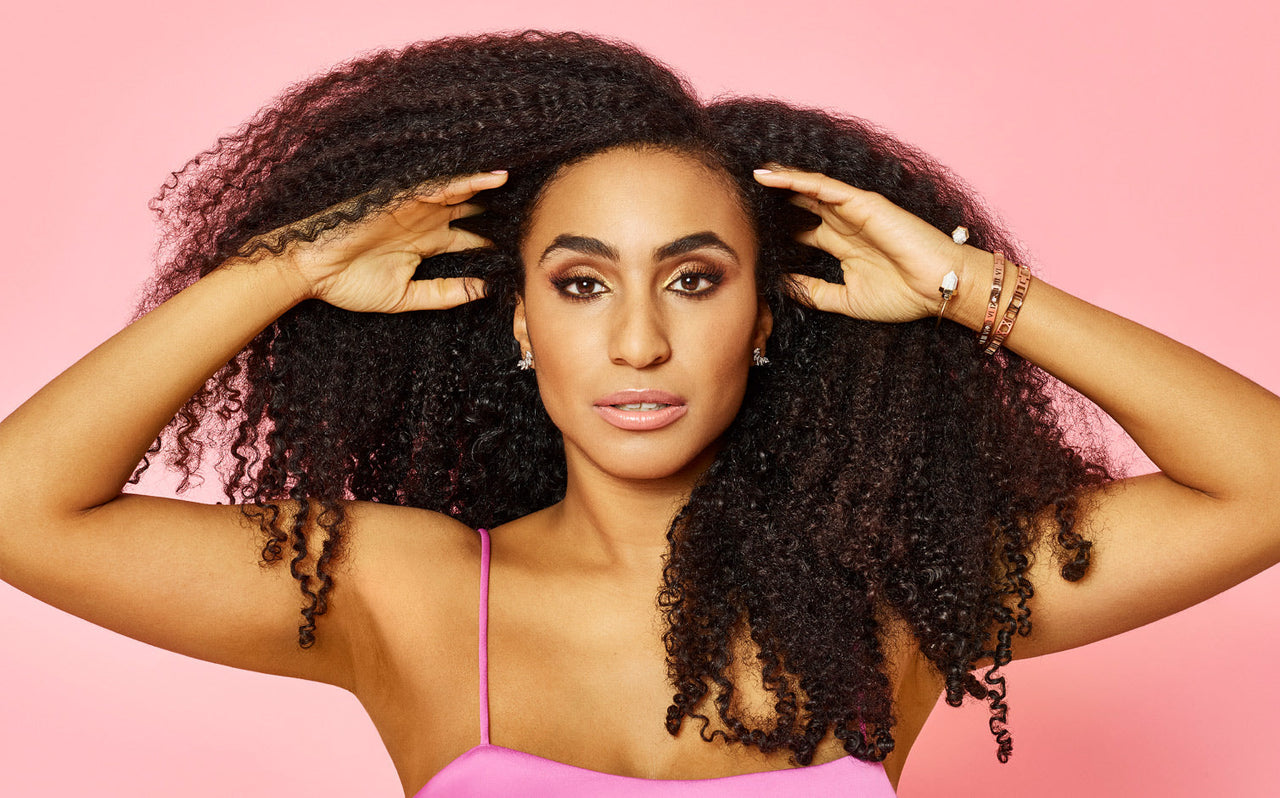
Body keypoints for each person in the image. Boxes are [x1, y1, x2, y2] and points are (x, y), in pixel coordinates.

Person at [1, 29, 1277, 796]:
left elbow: (1260, 485)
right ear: (518, 321)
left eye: (693, 278)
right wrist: (287, 268)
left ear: (765, 317)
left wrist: (963, 289)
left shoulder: (895, 588)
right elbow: (22, 511)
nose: (637, 339)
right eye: (578, 282)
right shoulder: (407, 587)